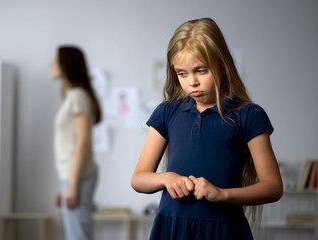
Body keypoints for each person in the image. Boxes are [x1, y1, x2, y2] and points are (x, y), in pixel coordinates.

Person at [131, 18, 283, 240]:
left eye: (201, 70)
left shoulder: (249, 115)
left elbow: (273, 187)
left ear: (221, 64)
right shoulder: (166, 113)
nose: (192, 82)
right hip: (172, 229)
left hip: (223, 230)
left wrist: (222, 194)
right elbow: (138, 179)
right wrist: (166, 178)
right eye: (182, 73)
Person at [51, 46, 101, 240]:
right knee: (76, 233)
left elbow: (83, 142)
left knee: (78, 235)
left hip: (79, 177)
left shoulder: (78, 96)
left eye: (55, 60)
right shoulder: (73, 96)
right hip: (73, 177)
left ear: (65, 65)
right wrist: (64, 184)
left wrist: (71, 184)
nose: (51, 65)